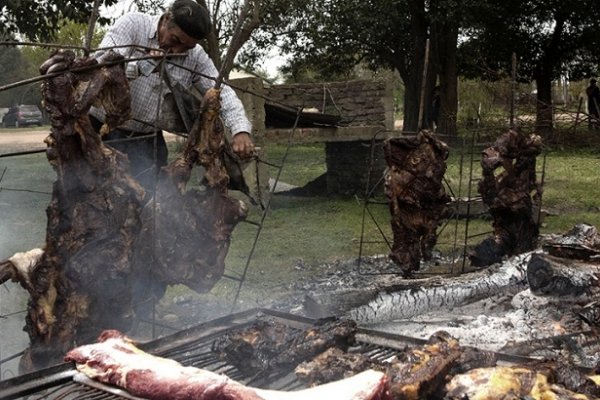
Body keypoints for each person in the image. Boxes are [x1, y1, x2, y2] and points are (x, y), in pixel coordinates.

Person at [89, 0, 254, 192]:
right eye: (175, 40)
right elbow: (102, 66)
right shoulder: (133, 25)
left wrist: (240, 129)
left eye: (187, 47)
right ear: (167, 19)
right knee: (92, 195)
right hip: (100, 130)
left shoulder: (195, 57)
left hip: (146, 138)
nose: (177, 51)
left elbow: (221, 90)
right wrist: (142, 65)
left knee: (147, 202)